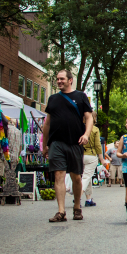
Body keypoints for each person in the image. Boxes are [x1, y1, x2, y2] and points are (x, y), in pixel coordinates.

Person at [42, 70, 93, 222]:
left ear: (70, 80)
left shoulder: (80, 96)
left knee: (76, 177)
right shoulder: (52, 99)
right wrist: (45, 145)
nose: (59, 81)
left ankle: (77, 207)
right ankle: (61, 211)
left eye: (62, 79)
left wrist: (86, 135)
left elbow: (89, 117)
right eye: (57, 79)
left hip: (75, 142)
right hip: (56, 143)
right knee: (59, 175)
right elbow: (48, 123)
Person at [81, 112, 105, 207]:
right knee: (86, 177)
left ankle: (88, 199)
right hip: (91, 155)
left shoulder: (79, 128)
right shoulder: (95, 129)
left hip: (79, 155)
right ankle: (78, 197)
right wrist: (102, 159)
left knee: (87, 177)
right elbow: (98, 145)